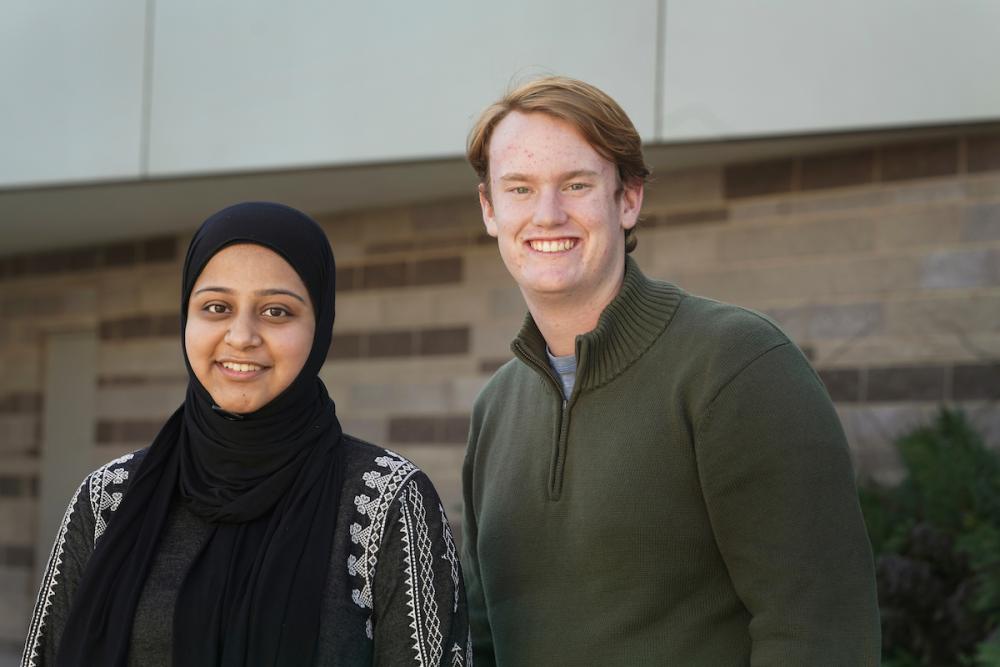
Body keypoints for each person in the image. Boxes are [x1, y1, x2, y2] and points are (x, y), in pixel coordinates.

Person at [461, 76, 880, 665]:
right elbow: (482, 637)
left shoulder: (737, 364)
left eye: (576, 184)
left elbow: (818, 631)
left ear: (629, 198)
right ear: (490, 210)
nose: (547, 214)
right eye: (520, 189)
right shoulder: (495, 409)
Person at [23, 202, 469, 666]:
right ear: (186, 318)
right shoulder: (107, 500)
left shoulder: (388, 500)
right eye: (216, 307)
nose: (241, 336)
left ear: (321, 327)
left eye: (276, 311)